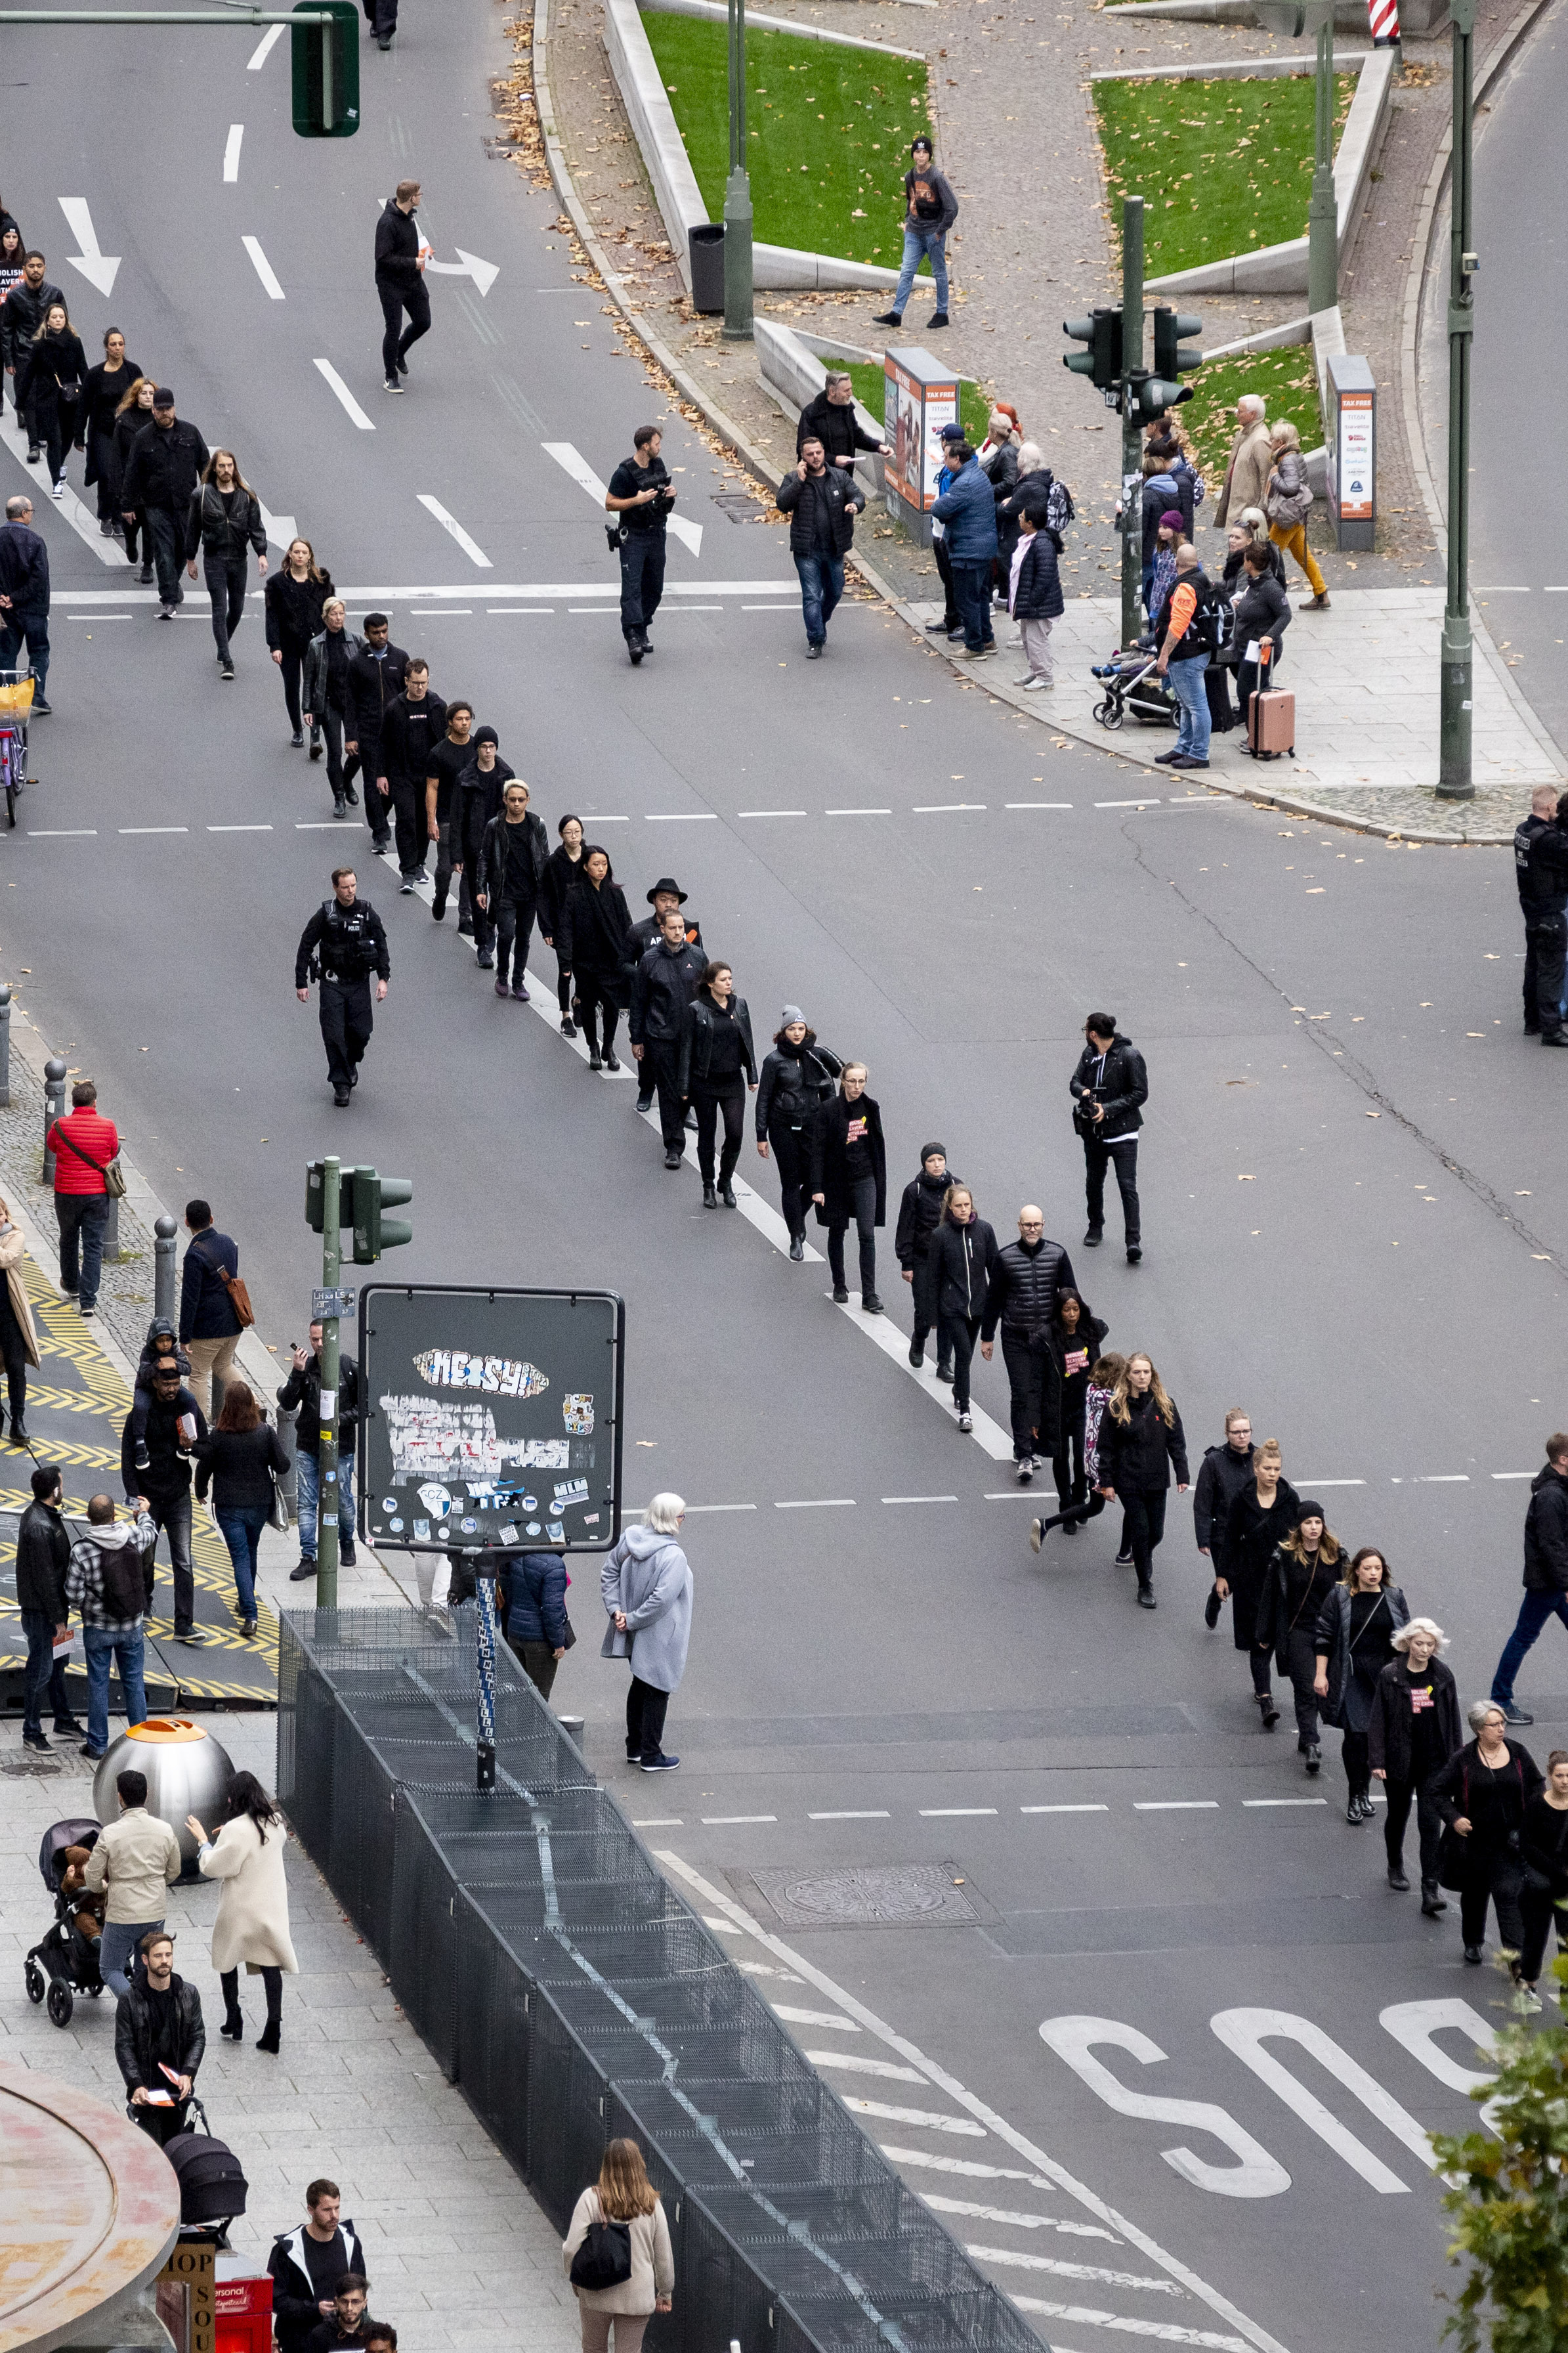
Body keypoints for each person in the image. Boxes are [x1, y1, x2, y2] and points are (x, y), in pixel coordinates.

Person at [187, 1769, 297, 2053]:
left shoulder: (237, 1829)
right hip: (270, 1905)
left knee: (228, 1958)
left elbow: (216, 1866)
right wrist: (230, 1834)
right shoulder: (275, 1823)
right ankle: (274, 2026)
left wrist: (203, 1842)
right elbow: (256, 1843)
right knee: (271, 1963)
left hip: (241, 1906)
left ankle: (234, 2018)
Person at [1433, 1702, 1544, 1967]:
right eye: (1494, 1725)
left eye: (1502, 1723)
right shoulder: (1464, 1759)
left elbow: (1536, 1784)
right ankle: (1473, 1941)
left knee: (1508, 1895)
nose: (1501, 1729)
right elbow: (1437, 1793)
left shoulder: (1517, 1753)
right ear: (1479, 1729)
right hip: (1474, 1843)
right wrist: (1455, 1819)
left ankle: (1514, 1956)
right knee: (1475, 1894)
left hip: (1509, 1842)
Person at [1368, 1616, 1462, 1914]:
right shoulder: (1391, 1675)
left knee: (1429, 1823)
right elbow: (1378, 1719)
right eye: (1419, 1643)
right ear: (1408, 1643)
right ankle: (1395, 1864)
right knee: (1398, 1816)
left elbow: (1454, 1721)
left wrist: (1458, 1762)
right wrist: (1377, 1760)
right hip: (1399, 1759)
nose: (1424, 1649)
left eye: (1430, 1644)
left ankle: (1430, 1888)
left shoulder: (1443, 1676)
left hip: (1434, 1761)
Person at [979, 1207, 1077, 1482]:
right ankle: (1023, 1453)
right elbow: (994, 1300)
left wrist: (1074, 1336)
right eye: (1027, 1225)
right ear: (1019, 1226)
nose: (1032, 1229)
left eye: (1037, 1225)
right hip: (1016, 1337)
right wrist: (987, 1338)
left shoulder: (1057, 1255)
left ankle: (1035, 1445)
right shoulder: (1006, 1258)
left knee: (1044, 1394)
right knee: (1022, 1393)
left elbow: (1071, 1298)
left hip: (1048, 1340)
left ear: (1044, 1225)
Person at [1314, 1545, 1410, 1822]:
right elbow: (1324, 1636)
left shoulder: (1394, 1597)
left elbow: (1407, 1637)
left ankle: (1364, 1791)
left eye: (1378, 1568)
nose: (1373, 1573)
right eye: (1367, 1568)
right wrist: (1321, 1674)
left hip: (1383, 1676)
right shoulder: (1340, 1597)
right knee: (1356, 1735)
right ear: (1356, 1570)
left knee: (1373, 1737)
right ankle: (1355, 1795)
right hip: (1352, 1674)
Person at [601, 1495, 692, 1772]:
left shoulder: (631, 1539)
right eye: (681, 1516)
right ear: (669, 1518)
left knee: (640, 1684)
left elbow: (609, 1573)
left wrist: (617, 1611)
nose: (683, 1520)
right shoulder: (673, 1556)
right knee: (658, 1689)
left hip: (630, 1628)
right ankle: (652, 1755)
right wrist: (633, 1620)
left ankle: (635, 1747)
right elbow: (662, 1601)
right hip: (659, 1633)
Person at [120, 1361, 206, 1644]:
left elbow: (206, 1446)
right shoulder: (139, 1415)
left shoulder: (188, 1410)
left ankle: (184, 1622)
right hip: (149, 1499)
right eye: (167, 1384)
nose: (172, 1389)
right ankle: (144, 1606)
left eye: (176, 1385)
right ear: (155, 1383)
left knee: (184, 1561)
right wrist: (135, 1499)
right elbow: (128, 1461)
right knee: (145, 1557)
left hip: (179, 1496)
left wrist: (191, 1446)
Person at [194, 1383, 288, 1638]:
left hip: (228, 1506)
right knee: (251, 1550)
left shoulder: (219, 1436)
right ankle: (246, 1602)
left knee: (239, 1557)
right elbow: (283, 1466)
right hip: (259, 1504)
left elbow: (204, 1468)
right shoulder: (264, 1433)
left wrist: (200, 1491)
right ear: (251, 1404)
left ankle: (250, 1613)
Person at [1215, 1438, 1298, 1725]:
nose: (1273, 1473)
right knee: (1259, 1641)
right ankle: (1265, 1698)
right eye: (1268, 1468)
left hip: (1283, 1582)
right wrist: (1223, 1576)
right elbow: (1230, 1539)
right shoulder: (1242, 1500)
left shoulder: (1291, 1500)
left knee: (1283, 1638)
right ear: (1256, 1468)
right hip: (1251, 1581)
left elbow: (1302, 1540)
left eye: (1277, 1468)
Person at [1095, 1354, 1189, 1607]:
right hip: (1128, 1481)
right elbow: (1106, 1447)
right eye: (1137, 1372)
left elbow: (1176, 1442)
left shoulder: (1165, 1404)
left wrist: (1182, 1473)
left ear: (1152, 1374)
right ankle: (1145, 1585)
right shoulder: (1116, 1407)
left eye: (1146, 1372)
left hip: (1157, 1480)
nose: (1142, 1377)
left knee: (1156, 1533)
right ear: (1128, 1376)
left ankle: (1139, 1554)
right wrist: (1107, 1482)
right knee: (1141, 1529)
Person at [564, 2140, 674, 2353]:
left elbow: (570, 2248)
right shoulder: (652, 2203)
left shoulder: (591, 2199)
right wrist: (665, 2292)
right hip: (638, 2293)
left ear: (606, 2166)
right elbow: (664, 2256)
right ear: (639, 2165)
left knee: (594, 2348)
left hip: (596, 2289)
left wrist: (574, 2276)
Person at [1256, 1505, 1343, 1775]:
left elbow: (1349, 1595)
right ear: (1299, 1527)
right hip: (1298, 1631)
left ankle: (1306, 1735)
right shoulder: (1285, 1556)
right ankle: (1313, 1742)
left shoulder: (1336, 1556)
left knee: (1324, 1689)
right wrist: (1264, 1634)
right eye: (1308, 1522)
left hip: (1328, 1633)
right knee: (1306, 1687)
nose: (1314, 1527)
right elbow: (1271, 1595)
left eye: (1318, 1522)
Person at [295, 867, 391, 1108]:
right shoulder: (325, 915)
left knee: (361, 1033)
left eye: (353, 886)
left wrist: (383, 979)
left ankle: (351, 1063)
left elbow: (381, 945)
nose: (350, 891)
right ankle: (341, 1085)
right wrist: (301, 983)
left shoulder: (367, 913)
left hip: (358, 983)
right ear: (336, 888)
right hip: (332, 983)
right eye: (345, 887)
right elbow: (306, 945)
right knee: (334, 1035)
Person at [1491, 1433, 1568, 1723]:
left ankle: (1500, 1697)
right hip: (1549, 1585)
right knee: (1522, 1638)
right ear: (1562, 1459)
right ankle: (1500, 1699)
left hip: (1554, 1582)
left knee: (1522, 1638)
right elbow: (1552, 1544)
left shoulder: (1558, 1489)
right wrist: (1565, 1585)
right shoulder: (1551, 1496)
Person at [83, 1763, 179, 1994]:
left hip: (122, 1913)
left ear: (120, 1797)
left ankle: (135, 2010)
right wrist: (155, 1883)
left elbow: (93, 1878)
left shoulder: (111, 1833)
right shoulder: (165, 1829)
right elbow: (174, 1870)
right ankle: (147, 2012)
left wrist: (104, 1887)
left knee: (110, 1968)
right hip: (154, 1912)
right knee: (144, 1968)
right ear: (147, 1794)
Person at [755, 1008, 841, 1255]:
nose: (796, 1033)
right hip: (783, 1127)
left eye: (800, 1029)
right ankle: (796, 1235)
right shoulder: (774, 1061)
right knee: (791, 1182)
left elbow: (828, 1092)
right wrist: (761, 1135)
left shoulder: (816, 1056)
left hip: (813, 1126)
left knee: (819, 1177)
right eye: (792, 1029)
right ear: (783, 1032)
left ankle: (797, 1215)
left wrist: (833, 1123)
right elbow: (764, 1099)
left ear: (807, 1030)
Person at [279, 1324, 360, 1583]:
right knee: (307, 1502)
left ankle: (346, 1541)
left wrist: (340, 1420)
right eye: (314, 1339)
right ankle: (308, 1557)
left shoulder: (349, 1368)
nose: (319, 1344)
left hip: (341, 1449)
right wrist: (297, 1373)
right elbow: (288, 1403)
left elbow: (364, 1407)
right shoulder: (307, 1368)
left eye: (324, 1338)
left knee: (343, 1501)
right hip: (308, 1446)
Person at [120, 388, 209, 621]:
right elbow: (132, 473)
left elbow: (205, 465)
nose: (164, 413)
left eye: (168, 408)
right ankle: (168, 599)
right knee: (163, 552)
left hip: (186, 504)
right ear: (153, 410)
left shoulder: (190, 433)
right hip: (156, 504)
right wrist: (127, 504)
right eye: (160, 409)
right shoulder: (143, 437)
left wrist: (207, 495)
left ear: (174, 409)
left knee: (183, 549)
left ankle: (173, 584)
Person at [776, 437, 864, 659]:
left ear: (824, 453)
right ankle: (815, 639)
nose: (815, 457)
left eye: (818, 453)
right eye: (810, 454)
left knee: (835, 590)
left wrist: (856, 505)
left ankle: (820, 622)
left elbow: (857, 494)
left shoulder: (839, 476)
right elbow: (782, 504)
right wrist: (799, 481)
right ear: (802, 457)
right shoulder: (793, 478)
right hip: (807, 549)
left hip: (834, 548)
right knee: (812, 595)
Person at [678, 961, 757, 1207]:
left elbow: (748, 1039)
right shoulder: (697, 1010)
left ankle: (726, 1180)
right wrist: (684, 1086)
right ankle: (708, 1186)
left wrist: (752, 1074)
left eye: (730, 979)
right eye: (723, 980)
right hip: (705, 1083)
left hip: (733, 1081)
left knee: (735, 1134)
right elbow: (687, 1048)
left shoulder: (740, 1005)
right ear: (711, 983)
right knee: (707, 1137)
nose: (729, 983)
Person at [115, 1929, 204, 2146]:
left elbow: (197, 2037)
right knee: (152, 2145)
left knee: (175, 2143)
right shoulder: (130, 1999)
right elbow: (124, 2046)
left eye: (168, 1955)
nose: (165, 1961)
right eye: (158, 1956)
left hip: (177, 2090)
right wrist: (136, 2084)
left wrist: (188, 2073)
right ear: (145, 1960)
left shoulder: (188, 1993)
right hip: (149, 2088)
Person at [1070, 1015, 1147, 1264]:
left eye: (1086, 1030)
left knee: (1127, 1186)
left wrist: (1108, 1109)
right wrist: (1083, 1092)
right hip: (1095, 1133)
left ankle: (1133, 1240)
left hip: (1124, 1133)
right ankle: (1095, 1226)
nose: (1085, 1034)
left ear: (1093, 1033)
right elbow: (1074, 1082)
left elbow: (1140, 1093)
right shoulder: (1089, 1054)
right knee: (1094, 1181)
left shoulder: (1129, 1056)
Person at [811, 1064, 887, 1313]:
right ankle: (840, 1284)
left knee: (867, 1234)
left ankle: (870, 1294)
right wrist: (817, 1186)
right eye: (852, 1081)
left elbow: (877, 1145)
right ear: (843, 1081)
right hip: (836, 1181)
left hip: (864, 1178)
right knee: (837, 1230)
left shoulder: (871, 1107)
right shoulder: (829, 1109)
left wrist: (878, 1180)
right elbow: (818, 1150)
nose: (856, 1087)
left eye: (861, 1082)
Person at [634, 908, 708, 1168]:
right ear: (663, 930)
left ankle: (681, 1115)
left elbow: (709, 997)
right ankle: (674, 1147)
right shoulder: (650, 960)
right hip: (661, 1035)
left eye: (681, 928)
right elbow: (640, 1000)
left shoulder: (698, 957)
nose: (678, 933)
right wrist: (637, 1038)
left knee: (689, 1088)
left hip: (693, 1036)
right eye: (673, 928)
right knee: (667, 1091)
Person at [184, 448, 266, 679]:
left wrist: (261, 554)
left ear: (235, 468)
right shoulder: (201, 495)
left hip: (239, 559)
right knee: (220, 608)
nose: (226, 470)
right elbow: (193, 529)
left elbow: (256, 527)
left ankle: (223, 645)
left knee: (237, 609)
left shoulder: (247, 495)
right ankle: (227, 660)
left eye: (230, 466)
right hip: (214, 559)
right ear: (214, 468)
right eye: (221, 466)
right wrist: (190, 559)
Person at [625, 877, 705, 1108]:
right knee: (649, 1057)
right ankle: (646, 1091)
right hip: (653, 1002)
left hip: (683, 1006)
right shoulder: (638, 931)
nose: (669, 904)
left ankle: (683, 1104)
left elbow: (700, 965)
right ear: (654, 902)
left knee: (685, 1061)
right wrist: (646, 973)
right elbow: (623, 964)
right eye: (663, 900)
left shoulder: (690, 931)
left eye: (673, 900)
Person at [926, 1184, 998, 1436]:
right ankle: (965, 1410)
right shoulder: (941, 1236)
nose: (963, 1209)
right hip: (952, 1308)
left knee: (965, 1358)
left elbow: (995, 1269)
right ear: (950, 1207)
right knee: (965, 1353)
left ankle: (959, 1391)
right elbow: (933, 1277)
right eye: (958, 1205)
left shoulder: (985, 1231)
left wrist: (997, 1302)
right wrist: (932, 1315)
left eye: (967, 1205)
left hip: (978, 1307)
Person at [17, 1462, 79, 1753]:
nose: (63, 1489)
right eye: (62, 1485)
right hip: (45, 1614)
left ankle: (63, 1720)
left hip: (52, 1611)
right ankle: (32, 1731)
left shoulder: (43, 1516)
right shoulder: (40, 1526)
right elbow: (45, 1579)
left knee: (58, 1666)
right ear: (55, 1490)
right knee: (41, 1670)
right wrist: (58, 1620)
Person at [47, 1079, 119, 1316]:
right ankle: (88, 1302)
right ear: (94, 1103)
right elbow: (112, 1151)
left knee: (68, 1239)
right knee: (93, 1246)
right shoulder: (108, 1126)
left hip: (66, 1193)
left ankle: (72, 1285)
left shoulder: (59, 1126)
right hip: (96, 1195)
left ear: (73, 1102)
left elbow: (53, 1147)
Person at [269, 2184, 368, 2353]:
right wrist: (315, 2310)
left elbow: (360, 2290)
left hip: (341, 2342)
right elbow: (276, 2299)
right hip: (301, 2342)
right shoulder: (289, 2250)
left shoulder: (350, 2242)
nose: (334, 2216)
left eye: (337, 2208)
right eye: (327, 2210)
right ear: (310, 2209)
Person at [605, 424, 674, 664]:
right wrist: (637, 500)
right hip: (633, 536)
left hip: (657, 535)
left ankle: (643, 626)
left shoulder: (658, 466)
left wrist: (669, 495)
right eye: (656, 443)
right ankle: (633, 636)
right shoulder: (624, 473)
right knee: (632, 588)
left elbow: (662, 497)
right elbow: (610, 503)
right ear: (645, 446)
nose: (659, 447)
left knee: (654, 588)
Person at [872, 136, 957, 330]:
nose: (921, 156)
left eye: (925, 152)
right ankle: (896, 313)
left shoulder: (936, 178)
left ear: (929, 155)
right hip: (914, 233)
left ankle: (942, 313)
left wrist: (940, 231)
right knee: (906, 271)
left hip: (932, 233)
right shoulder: (910, 176)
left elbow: (952, 207)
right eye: (918, 152)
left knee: (939, 273)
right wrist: (908, 220)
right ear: (913, 155)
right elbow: (910, 199)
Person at [478, 777, 549, 1002]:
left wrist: (547, 891)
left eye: (521, 800)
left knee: (524, 938)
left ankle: (518, 982)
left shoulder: (537, 825)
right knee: (507, 934)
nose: (517, 804)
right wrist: (481, 889)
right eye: (512, 800)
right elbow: (485, 858)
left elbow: (544, 859)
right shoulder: (495, 826)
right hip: (504, 893)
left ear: (528, 801)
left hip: (530, 894)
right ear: (505, 801)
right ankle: (502, 976)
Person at [377, 660, 446, 890]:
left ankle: (419, 864)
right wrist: (381, 774)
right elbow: (384, 744)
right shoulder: (395, 709)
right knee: (406, 819)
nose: (420, 688)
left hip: (429, 777)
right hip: (401, 774)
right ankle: (407, 871)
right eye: (415, 683)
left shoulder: (437, 706)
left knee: (424, 819)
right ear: (406, 681)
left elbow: (447, 741)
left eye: (424, 683)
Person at [1151, 544, 1219, 773]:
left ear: (1176, 564)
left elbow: (1178, 625)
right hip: (1197, 650)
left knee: (1196, 706)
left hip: (1186, 655)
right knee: (1188, 705)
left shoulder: (1186, 587)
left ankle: (1199, 754)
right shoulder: (1202, 580)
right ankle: (1184, 748)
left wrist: (1164, 655)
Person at [562, 845, 634, 1062]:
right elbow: (567, 929)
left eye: (604, 864)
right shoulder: (575, 895)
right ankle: (593, 1047)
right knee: (588, 1004)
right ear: (585, 867)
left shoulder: (615, 894)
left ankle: (609, 1047)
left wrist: (629, 958)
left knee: (612, 1005)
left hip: (613, 961)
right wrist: (566, 962)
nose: (601, 869)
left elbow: (627, 927)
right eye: (596, 864)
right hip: (585, 963)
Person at [451, 725, 513, 966]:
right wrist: (457, 853)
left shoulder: (507, 776)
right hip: (474, 846)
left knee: (499, 897)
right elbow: (457, 817)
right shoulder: (465, 778)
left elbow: (516, 811)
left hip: (500, 846)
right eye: (484, 747)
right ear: (477, 749)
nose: (488, 751)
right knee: (479, 897)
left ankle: (490, 925)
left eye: (492, 747)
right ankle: (483, 945)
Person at [267, 538, 336, 753]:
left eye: (304, 552)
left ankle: (315, 735)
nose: (299, 556)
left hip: (314, 642)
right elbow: (272, 616)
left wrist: (332, 638)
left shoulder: (321, 581)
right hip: (287, 644)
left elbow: (331, 610)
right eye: (296, 552)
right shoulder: (277, 583)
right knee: (292, 685)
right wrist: (274, 645)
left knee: (315, 687)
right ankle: (297, 730)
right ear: (289, 554)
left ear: (310, 556)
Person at [343, 615, 408, 838]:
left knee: (391, 784)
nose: (381, 636)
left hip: (395, 735)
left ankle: (381, 816)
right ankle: (380, 831)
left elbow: (407, 696)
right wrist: (351, 735)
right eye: (376, 633)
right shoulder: (357, 663)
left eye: (384, 631)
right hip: (368, 733)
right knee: (372, 784)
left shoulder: (400, 658)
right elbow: (350, 702)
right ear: (366, 635)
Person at [179, 1198, 245, 1419]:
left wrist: (185, 1336)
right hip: (234, 1322)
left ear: (187, 1222)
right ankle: (250, 1406)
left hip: (208, 1328)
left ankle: (199, 1426)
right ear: (212, 1219)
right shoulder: (228, 1242)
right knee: (224, 1365)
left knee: (197, 1374)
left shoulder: (194, 1255)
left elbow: (190, 1299)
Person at [1048, 1289, 1108, 1526]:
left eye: (1076, 1309)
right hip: (1059, 1406)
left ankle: (1079, 1497)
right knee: (1061, 1457)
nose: (1072, 1314)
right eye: (1066, 1310)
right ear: (1058, 1311)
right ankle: (1066, 1506)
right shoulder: (1050, 1336)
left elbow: (1100, 1365)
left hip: (1086, 1406)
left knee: (1084, 1455)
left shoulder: (1090, 1332)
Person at [931, 442, 997, 658]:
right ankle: (987, 639)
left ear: (957, 459)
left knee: (966, 600)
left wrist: (945, 510)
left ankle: (974, 646)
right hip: (983, 548)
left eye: (947, 456)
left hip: (967, 550)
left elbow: (939, 508)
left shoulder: (964, 483)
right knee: (981, 597)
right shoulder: (977, 475)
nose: (944, 459)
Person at [896, 1144, 959, 1373]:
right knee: (924, 1310)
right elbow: (906, 1227)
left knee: (949, 1312)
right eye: (931, 1160)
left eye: (940, 1159)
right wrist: (907, 1263)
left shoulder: (955, 1187)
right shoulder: (915, 1191)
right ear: (924, 1163)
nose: (936, 1164)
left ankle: (944, 1363)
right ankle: (919, 1342)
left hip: (950, 1262)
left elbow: (966, 1220)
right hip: (923, 1260)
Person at [1514, 787, 1568, 1045]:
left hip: (1531, 908)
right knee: (1551, 972)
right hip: (1549, 911)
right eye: (1556, 806)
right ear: (1549, 807)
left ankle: (1532, 1022)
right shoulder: (1549, 840)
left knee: (1534, 967)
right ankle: (1552, 1030)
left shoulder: (1523, 831)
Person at [18, 299, 86, 501]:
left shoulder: (75, 342)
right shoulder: (40, 345)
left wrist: (90, 393)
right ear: (47, 321)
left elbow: (83, 369)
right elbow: (29, 373)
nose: (58, 320)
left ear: (66, 320)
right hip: (47, 399)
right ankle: (56, 482)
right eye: (54, 317)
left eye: (61, 317)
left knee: (67, 438)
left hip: (70, 398)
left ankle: (60, 463)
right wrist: (21, 401)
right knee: (54, 440)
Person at [1195, 1409, 1255, 1630]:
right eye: (1237, 1432)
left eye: (1246, 1431)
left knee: (1250, 1581)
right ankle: (1215, 1598)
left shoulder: (1260, 1459)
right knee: (1230, 1579)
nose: (1242, 1436)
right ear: (1227, 1433)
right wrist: (1203, 1538)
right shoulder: (1214, 1462)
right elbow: (1202, 1502)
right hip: (1223, 1534)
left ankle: (1250, 1630)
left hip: (1252, 1533)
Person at [1517, 1750, 1568, 2009]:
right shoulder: (1537, 1804)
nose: (1565, 1781)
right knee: (1535, 1939)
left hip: (1566, 1889)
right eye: (1560, 1775)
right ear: (1549, 1776)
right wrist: (1554, 1869)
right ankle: (1528, 1984)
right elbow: (1526, 1844)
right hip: (1541, 1885)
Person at [302, 601, 363, 817]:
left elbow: (367, 670)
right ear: (325, 617)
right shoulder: (316, 645)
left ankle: (346, 782)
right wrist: (307, 709)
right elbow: (309, 679)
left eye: (342, 613)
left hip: (353, 704)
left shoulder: (356, 640)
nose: (338, 618)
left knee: (359, 751)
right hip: (329, 704)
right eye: (334, 614)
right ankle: (339, 797)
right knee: (335, 753)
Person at [2, 252, 65, 456]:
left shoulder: (55, 294)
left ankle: (42, 433)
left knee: (46, 396)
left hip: (49, 353)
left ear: (45, 268)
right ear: (24, 270)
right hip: (24, 354)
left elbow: (63, 324)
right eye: (31, 266)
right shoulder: (14, 296)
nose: (35, 270)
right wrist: (9, 359)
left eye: (39, 266)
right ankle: (34, 444)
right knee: (28, 397)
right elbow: (7, 329)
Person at [1263, 419, 1327, 608]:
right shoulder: (1294, 457)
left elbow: (1290, 488)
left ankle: (1267, 599)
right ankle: (1321, 593)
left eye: (1273, 439)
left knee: (1268, 556)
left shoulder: (1287, 460)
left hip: (1288, 517)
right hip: (1296, 515)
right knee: (1303, 555)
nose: (1270, 442)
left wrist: (1274, 476)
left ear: (1281, 442)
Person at [1231, 540, 1291, 737]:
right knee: (1248, 689)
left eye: (1245, 559)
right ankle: (1255, 735)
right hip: (1246, 646)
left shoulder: (1270, 587)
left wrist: (1269, 636)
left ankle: (1258, 735)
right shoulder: (1254, 583)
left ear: (1250, 563)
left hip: (1261, 648)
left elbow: (1285, 614)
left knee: (1249, 690)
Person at [0, 491, 51, 713]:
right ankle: (36, 697)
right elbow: (39, 578)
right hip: (33, 609)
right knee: (38, 651)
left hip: (5, 610)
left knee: (6, 654)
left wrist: (5, 598)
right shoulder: (35, 541)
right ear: (23, 514)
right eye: (30, 511)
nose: (31, 515)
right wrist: (18, 598)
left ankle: (6, 697)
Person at [375, 180, 429, 391]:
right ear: (411, 198)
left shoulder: (409, 217)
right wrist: (412, 262)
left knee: (423, 322)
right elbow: (382, 258)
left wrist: (423, 251)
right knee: (393, 327)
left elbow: (410, 244)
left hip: (412, 281)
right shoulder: (387, 223)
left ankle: (399, 352)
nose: (421, 196)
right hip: (391, 285)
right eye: (419, 194)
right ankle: (390, 377)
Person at [423, 699, 473, 922]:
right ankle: (441, 895)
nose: (464, 723)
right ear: (451, 722)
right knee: (445, 868)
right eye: (460, 719)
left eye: (467, 719)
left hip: (473, 819)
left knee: (471, 870)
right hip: (446, 817)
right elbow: (432, 787)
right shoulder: (439, 752)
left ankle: (465, 916)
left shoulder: (478, 749)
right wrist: (431, 821)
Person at [502, 1545, 572, 1700]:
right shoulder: (554, 1565)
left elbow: (509, 1589)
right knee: (540, 1696)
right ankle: (535, 1725)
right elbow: (552, 1609)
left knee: (521, 1692)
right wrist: (558, 1643)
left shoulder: (518, 1555)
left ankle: (519, 1723)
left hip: (516, 1632)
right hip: (539, 1640)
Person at [0, 1190, 40, 1443]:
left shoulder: (16, 1236)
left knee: (16, 1368)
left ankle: (18, 1421)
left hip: (10, 1314)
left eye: (1, 1214)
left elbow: (5, 1259)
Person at [1008, 502, 1062, 691]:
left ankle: (1045, 676)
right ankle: (1035, 671)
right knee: (1027, 638)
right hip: (1029, 603)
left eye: (1022, 517)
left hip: (1039, 605)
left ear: (1030, 523)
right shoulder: (1030, 540)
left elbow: (1045, 576)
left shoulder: (1042, 544)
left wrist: (1033, 600)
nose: (1019, 519)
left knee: (1037, 640)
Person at [540, 812, 584, 1026]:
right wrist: (547, 929)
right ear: (561, 835)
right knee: (565, 971)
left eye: (577, 832)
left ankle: (578, 1000)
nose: (574, 836)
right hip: (562, 926)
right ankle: (565, 1014)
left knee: (585, 970)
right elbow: (544, 895)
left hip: (586, 926)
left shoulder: (591, 858)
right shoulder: (554, 862)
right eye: (569, 832)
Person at [925, 420, 967, 642]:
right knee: (948, 579)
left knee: (954, 580)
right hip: (940, 530)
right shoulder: (952, 464)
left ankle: (959, 620)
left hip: (947, 533)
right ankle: (952, 618)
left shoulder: (958, 469)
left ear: (944, 442)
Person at [795, 371, 889, 471]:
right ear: (832, 391)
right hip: (818, 476)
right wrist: (833, 460)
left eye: (850, 389)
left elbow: (857, 436)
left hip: (844, 476)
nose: (851, 394)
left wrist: (879, 447)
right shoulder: (811, 414)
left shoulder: (846, 409)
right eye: (846, 390)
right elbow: (803, 449)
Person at [114, 378, 158, 579]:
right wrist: (118, 486)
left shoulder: (160, 419)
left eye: (151, 393)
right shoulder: (125, 420)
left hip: (153, 484)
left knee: (150, 527)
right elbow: (117, 455)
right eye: (144, 393)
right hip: (130, 481)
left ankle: (147, 566)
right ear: (136, 395)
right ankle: (131, 545)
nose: (148, 397)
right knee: (131, 526)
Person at [1213, 392, 1272, 529]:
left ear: (1252, 415)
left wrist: (1260, 510)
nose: (1236, 413)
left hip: (1248, 511)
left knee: (1241, 546)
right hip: (1239, 505)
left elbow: (1266, 478)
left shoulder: (1260, 440)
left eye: (1240, 411)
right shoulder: (1244, 434)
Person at [305, 2281, 371, 2353]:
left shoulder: (375, 2333)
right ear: (336, 2302)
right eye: (344, 2302)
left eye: (355, 2302)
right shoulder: (320, 2335)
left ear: (365, 2303)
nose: (349, 2308)